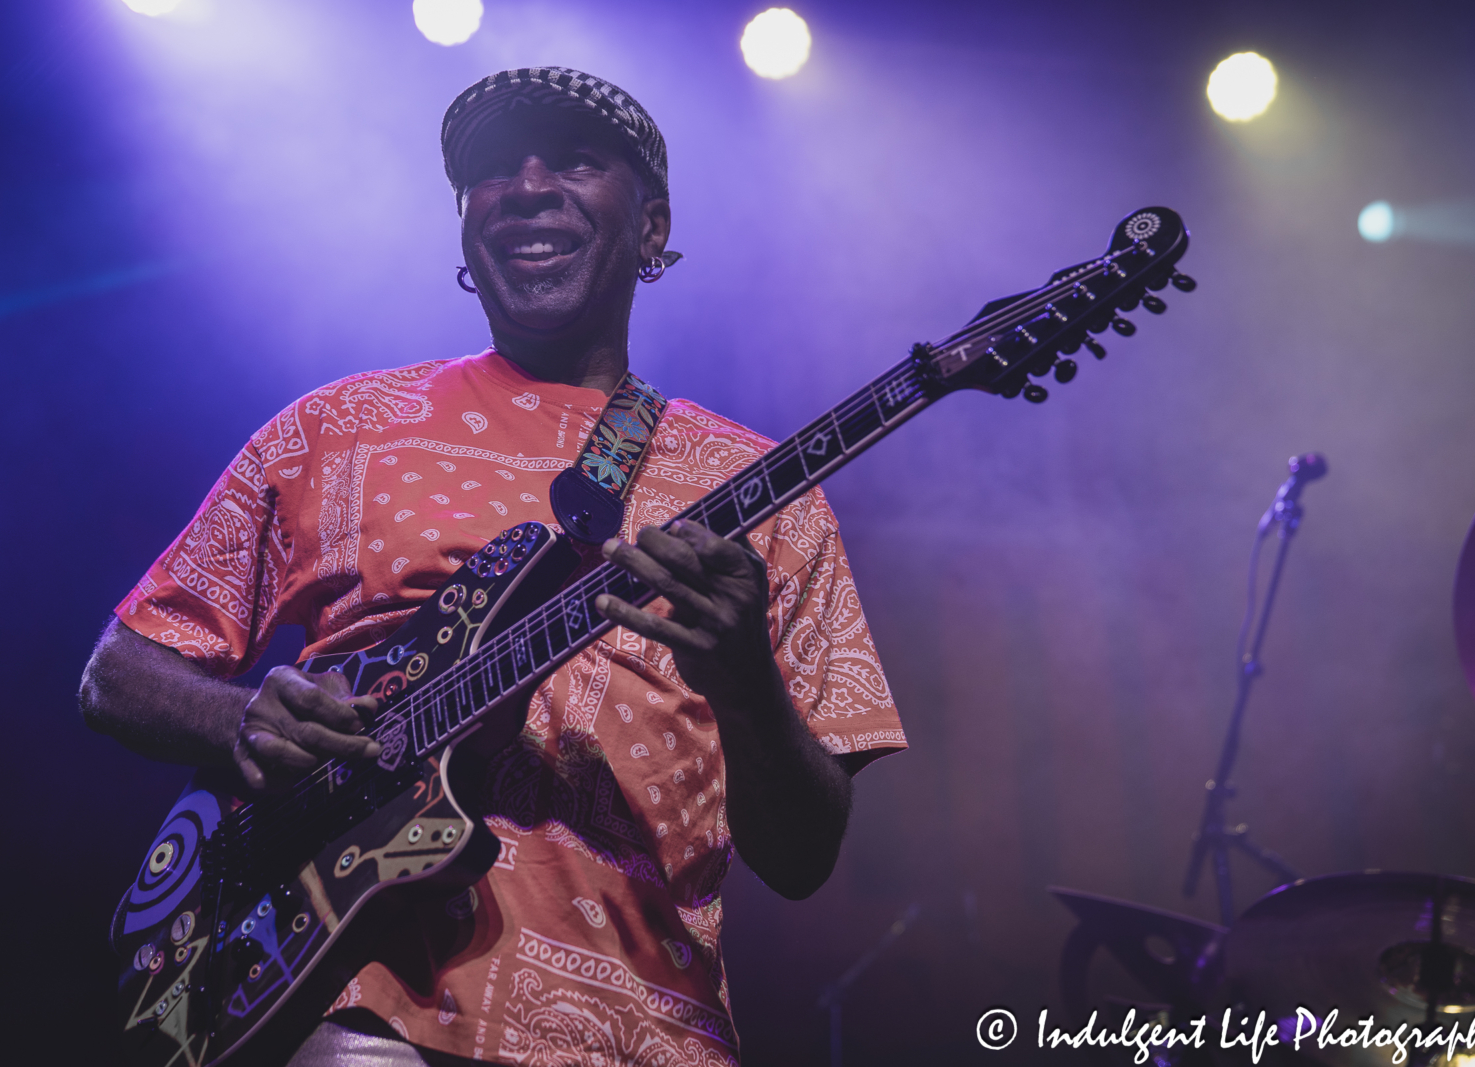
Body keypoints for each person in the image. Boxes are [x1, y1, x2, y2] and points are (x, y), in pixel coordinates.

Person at [81, 67, 905, 1066]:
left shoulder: (763, 491)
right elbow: (119, 670)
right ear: (467, 228)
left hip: (653, 1035)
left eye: (572, 160)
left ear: (651, 229)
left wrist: (742, 678)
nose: (522, 185)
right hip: (365, 1010)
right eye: (487, 170)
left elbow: (803, 854)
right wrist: (240, 715)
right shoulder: (337, 427)